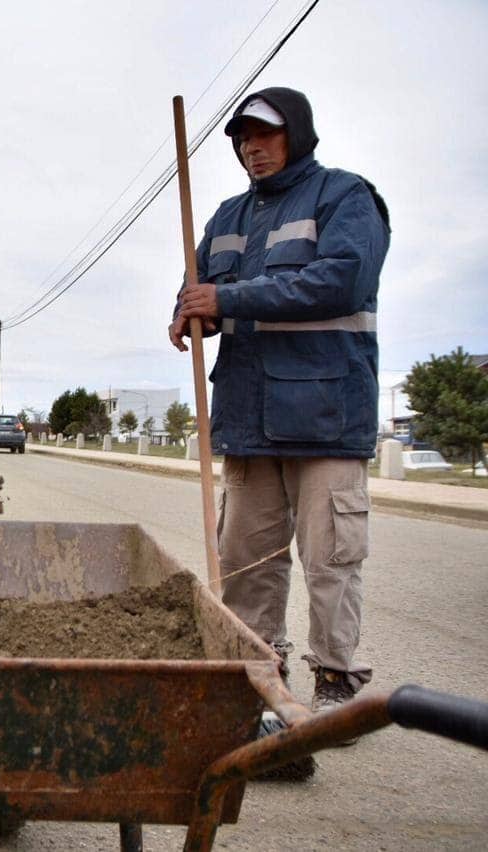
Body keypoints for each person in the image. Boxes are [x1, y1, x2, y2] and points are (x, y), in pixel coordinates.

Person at [171, 87, 390, 722]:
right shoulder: (227, 214)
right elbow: (200, 286)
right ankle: (258, 670)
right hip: (246, 416)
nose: (252, 148)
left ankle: (337, 677)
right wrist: (188, 314)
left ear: (297, 133)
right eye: (242, 139)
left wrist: (227, 301)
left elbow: (342, 280)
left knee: (331, 559)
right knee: (246, 560)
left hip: (326, 416)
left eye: (265, 135)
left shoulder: (345, 198)